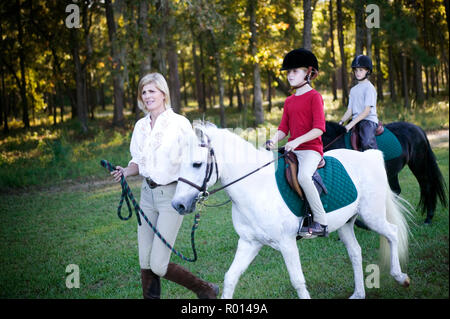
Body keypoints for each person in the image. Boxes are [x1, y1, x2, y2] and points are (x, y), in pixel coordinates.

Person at [111, 72, 218, 299]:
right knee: (145, 260)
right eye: (144, 92)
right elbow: (138, 162)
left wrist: (194, 192)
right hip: (146, 195)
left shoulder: (179, 124)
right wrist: (125, 171)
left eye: (152, 91)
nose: (147, 96)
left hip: (170, 195)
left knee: (158, 264)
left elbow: (192, 161)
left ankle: (205, 289)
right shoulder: (140, 126)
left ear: (163, 93)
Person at [266, 48, 328, 237]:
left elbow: (319, 128)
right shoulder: (289, 101)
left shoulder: (314, 97)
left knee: (303, 177)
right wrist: (273, 139)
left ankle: (321, 222)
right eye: (288, 72)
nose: (290, 75)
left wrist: (298, 140)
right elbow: (284, 128)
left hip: (311, 149)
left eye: (295, 71)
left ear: (308, 72)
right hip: (293, 148)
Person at [338, 55, 379, 151]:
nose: (357, 73)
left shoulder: (369, 88)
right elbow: (350, 110)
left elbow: (366, 111)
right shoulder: (353, 90)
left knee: (366, 142)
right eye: (356, 70)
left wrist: (350, 125)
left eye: (361, 70)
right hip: (356, 120)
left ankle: (374, 161)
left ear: (368, 71)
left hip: (368, 121)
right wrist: (341, 122)